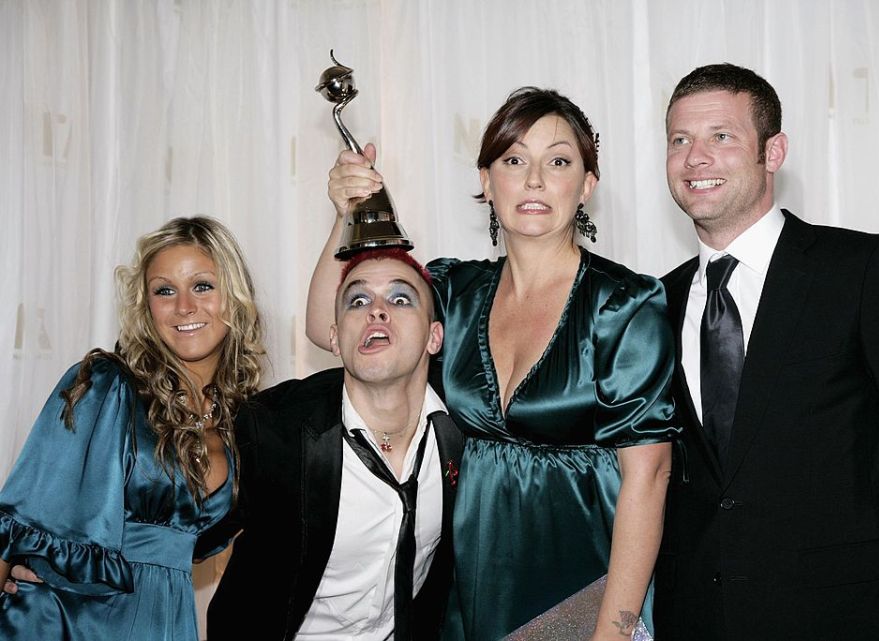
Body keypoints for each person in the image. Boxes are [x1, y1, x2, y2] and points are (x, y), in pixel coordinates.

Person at [310, 88, 678, 641]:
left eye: (558, 161)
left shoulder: (624, 303)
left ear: (587, 185)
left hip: (591, 588)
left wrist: (617, 628)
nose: (534, 180)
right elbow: (326, 329)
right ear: (486, 181)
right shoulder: (455, 291)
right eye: (513, 160)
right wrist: (342, 218)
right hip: (475, 587)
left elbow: (649, 476)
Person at [653, 63, 879, 640]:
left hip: (852, 616)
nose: (696, 158)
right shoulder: (653, 302)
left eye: (722, 136)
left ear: (774, 152)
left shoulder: (863, 269)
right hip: (698, 619)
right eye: (679, 140)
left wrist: (868, 540)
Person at [0, 216, 265, 641]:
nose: (184, 307)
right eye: (164, 290)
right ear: (146, 307)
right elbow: (17, 522)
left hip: (165, 619)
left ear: (234, 297)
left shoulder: (243, 426)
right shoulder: (105, 386)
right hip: (68, 622)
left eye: (202, 285)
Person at [205, 248, 464, 641]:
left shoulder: (462, 431)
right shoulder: (275, 429)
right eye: (358, 301)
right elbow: (191, 530)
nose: (376, 310)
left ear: (434, 337)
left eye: (400, 298)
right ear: (335, 340)